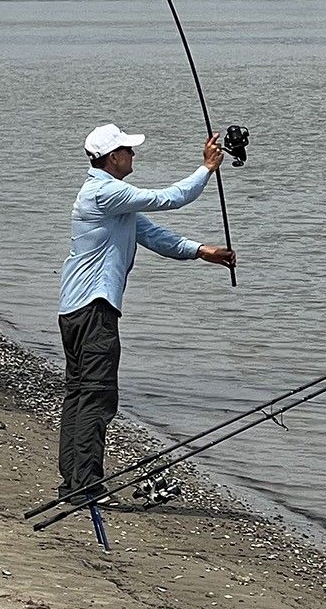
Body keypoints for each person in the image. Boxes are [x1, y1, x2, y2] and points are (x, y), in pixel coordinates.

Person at [57, 123, 235, 504]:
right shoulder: (105, 191)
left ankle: (73, 482)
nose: (134, 156)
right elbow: (167, 198)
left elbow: (153, 234)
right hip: (94, 308)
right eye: (128, 150)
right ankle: (85, 485)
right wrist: (206, 169)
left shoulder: (112, 200)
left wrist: (201, 251)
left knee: (79, 394)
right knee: (97, 396)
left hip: (74, 308)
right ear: (113, 157)